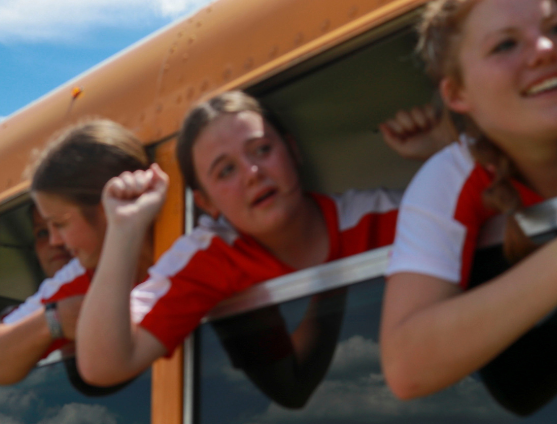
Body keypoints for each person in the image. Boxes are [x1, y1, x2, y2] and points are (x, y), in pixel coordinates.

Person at [74, 91, 452, 390]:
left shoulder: (382, 216)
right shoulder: (210, 255)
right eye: (225, 170)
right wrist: (124, 229)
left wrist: (448, 155)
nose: (253, 173)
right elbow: (103, 364)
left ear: (293, 151)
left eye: (262, 150)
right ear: (206, 203)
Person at [381, 0, 557, 407]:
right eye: (505, 45)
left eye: (555, 28)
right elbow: (408, 364)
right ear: (457, 94)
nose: (546, 48)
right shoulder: (454, 176)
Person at [0, 120, 153, 386]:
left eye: (60, 224)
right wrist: (57, 319)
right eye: (45, 230)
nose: (56, 241)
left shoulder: (189, 249)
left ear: (109, 208)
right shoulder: (79, 276)